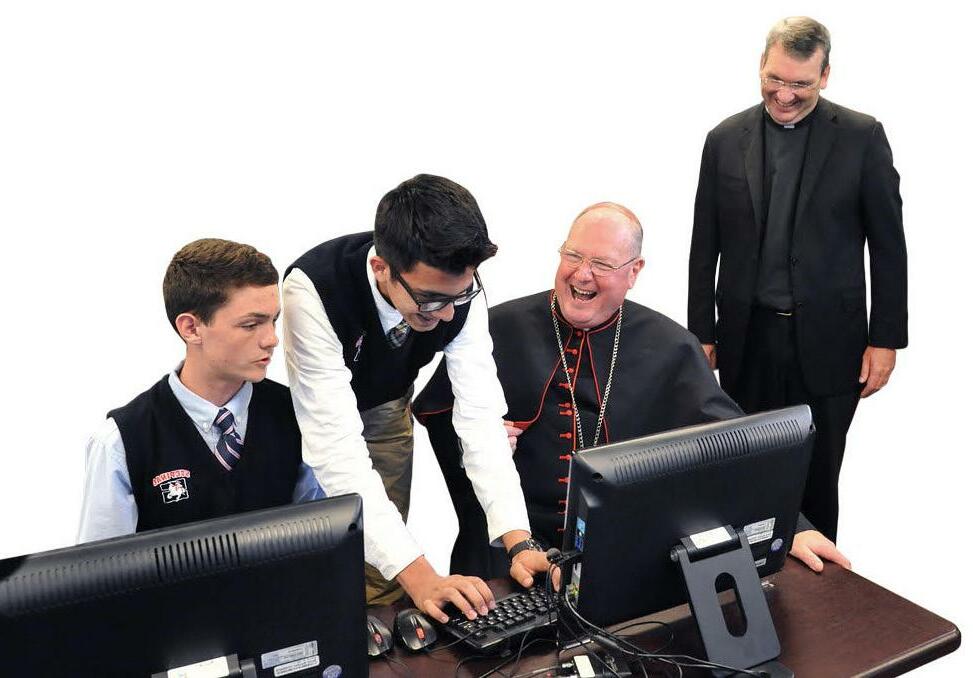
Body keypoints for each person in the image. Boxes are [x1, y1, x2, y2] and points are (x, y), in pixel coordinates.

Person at [415, 202, 848, 578]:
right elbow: (438, 414)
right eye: (573, 256)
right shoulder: (499, 326)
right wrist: (476, 442)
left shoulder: (671, 346)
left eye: (602, 264)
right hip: (506, 543)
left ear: (633, 272)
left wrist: (793, 525)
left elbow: (734, 448)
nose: (582, 274)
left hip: (619, 549)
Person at [281, 174, 549, 622]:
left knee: (382, 567)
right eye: (428, 300)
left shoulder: (458, 291)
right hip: (316, 409)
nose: (446, 314)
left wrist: (519, 540)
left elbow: (481, 419)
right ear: (381, 268)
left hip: (388, 404)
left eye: (458, 296)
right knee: (309, 551)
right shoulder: (313, 290)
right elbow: (335, 450)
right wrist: (423, 578)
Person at [687, 17, 908, 541]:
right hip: (747, 340)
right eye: (775, 79)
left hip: (831, 342)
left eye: (800, 84)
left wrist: (885, 340)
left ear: (825, 75)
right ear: (760, 66)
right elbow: (704, 243)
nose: (784, 95)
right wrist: (702, 333)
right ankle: (749, 576)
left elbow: (889, 245)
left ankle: (817, 582)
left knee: (817, 478)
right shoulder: (724, 139)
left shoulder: (861, 137)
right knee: (743, 468)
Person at [78, 238, 322, 543]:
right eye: (251, 325)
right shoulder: (121, 443)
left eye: (273, 321)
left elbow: (323, 540)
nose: (271, 339)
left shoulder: (299, 415)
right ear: (191, 328)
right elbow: (102, 568)